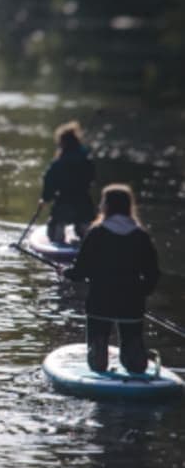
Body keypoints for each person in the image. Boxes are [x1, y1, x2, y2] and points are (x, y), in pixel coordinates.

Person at [63, 184, 160, 374]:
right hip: (132, 300)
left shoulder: (96, 233)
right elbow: (153, 273)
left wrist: (67, 273)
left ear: (106, 205)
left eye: (102, 202)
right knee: (132, 339)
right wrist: (142, 291)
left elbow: (81, 270)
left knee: (98, 346)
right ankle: (134, 356)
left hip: (101, 298)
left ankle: (98, 353)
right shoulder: (140, 236)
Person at [41, 120, 95, 243]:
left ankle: (59, 235)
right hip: (84, 202)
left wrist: (45, 199)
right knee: (85, 226)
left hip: (64, 203)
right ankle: (85, 234)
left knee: (55, 234)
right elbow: (92, 179)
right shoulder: (87, 159)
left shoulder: (58, 163)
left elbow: (49, 181)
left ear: (62, 142)